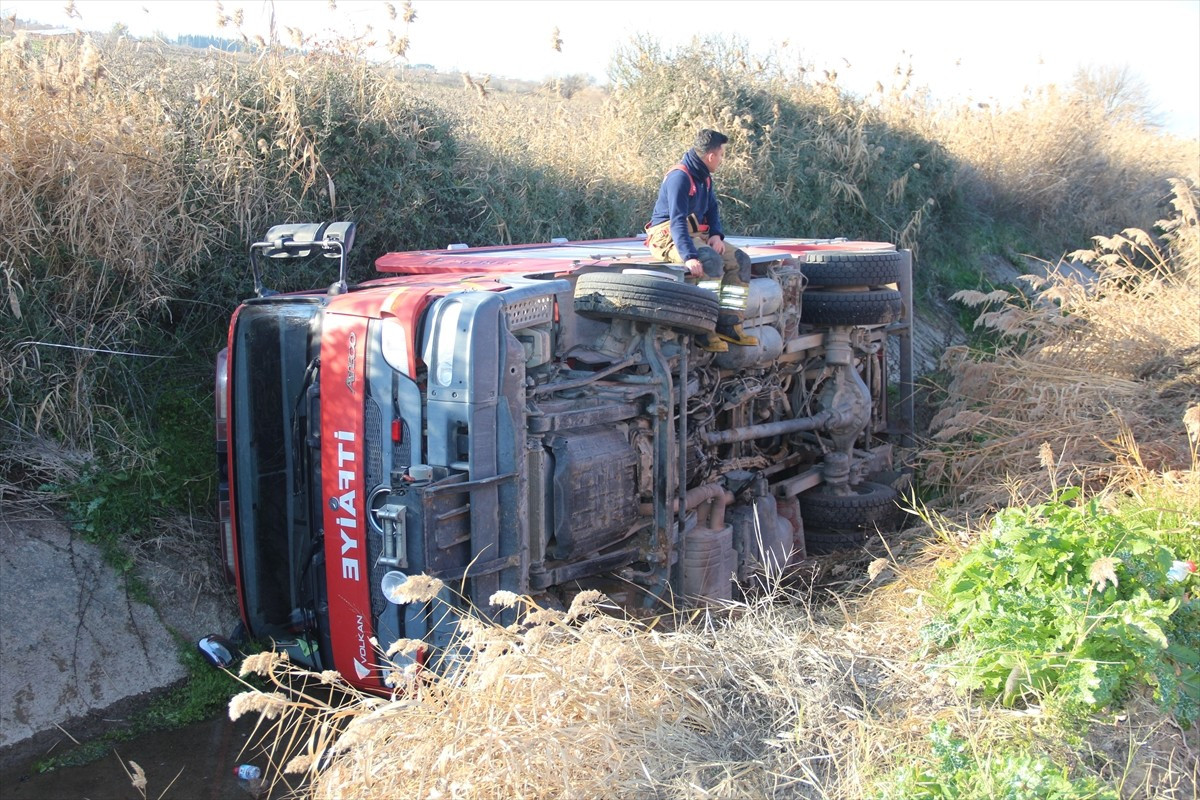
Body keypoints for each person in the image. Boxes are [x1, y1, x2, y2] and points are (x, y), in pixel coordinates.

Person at [645, 129, 758, 353]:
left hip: (696, 234)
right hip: (670, 237)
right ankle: (704, 330)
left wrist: (716, 235)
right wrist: (689, 257)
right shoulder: (680, 177)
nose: (722, 160)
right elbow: (677, 220)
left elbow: (712, 208)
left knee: (740, 260)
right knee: (710, 261)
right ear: (710, 156)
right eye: (722, 155)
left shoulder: (704, 177)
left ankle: (729, 325)